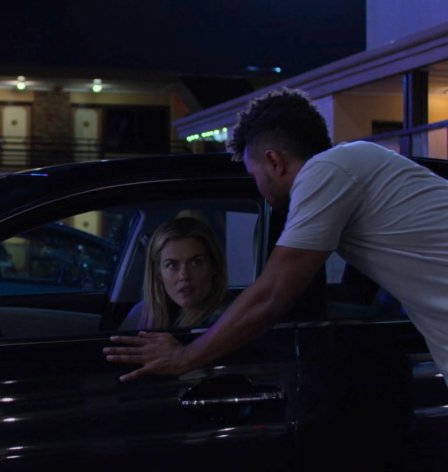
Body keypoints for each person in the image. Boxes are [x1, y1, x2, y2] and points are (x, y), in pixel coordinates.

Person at [104, 87, 448, 387]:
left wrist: (185, 356)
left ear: (274, 161)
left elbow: (272, 294)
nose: (257, 186)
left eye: (254, 174)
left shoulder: (327, 171)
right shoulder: (355, 167)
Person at [120, 216, 228, 330]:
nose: (184, 276)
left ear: (214, 266)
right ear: (158, 273)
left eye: (195, 263)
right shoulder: (142, 315)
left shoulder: (229, 319)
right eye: (171, 265)